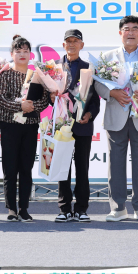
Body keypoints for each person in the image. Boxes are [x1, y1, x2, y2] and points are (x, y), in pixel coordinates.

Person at [94, 16, 138, 222]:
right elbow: (98, 84)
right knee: (115, 163)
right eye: (126, 29)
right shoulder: (107, 57)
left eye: (135, 29)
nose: (130, 32)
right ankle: (118, 207)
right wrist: (112, 93)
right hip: (117, 114)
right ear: (120, 33)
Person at [0, 35, 50, 222]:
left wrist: (31, 107)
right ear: (12, 54)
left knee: (26, 167)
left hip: (30, 125)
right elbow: (1, 100)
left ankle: (24, 208)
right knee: (10, 168)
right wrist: (20, 106)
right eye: (18, 51)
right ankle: (11, 208)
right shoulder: (5, 74)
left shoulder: (38, 75)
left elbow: (44, 100)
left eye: (26, 51)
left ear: (30, 54)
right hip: (9, 125)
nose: (22, 54)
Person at [54, 29, 100, 223]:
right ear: (63, 45)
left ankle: (81, 209)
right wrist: (52, 97)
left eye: (75, 41)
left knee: (82, 168)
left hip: (83, 125)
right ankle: (64, 209)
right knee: (62, 168)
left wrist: (89, 115)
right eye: (68, 41)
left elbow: (95, 100)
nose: (72, 44)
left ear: (82, 45)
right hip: (62, 125)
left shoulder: (89, 68)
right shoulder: (53, 67)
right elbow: (46, 95)